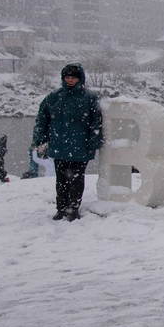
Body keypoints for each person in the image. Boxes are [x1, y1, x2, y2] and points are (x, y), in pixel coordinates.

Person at [32, 63, 103, 221]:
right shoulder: (55, 97)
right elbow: (42, 118)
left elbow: (96, 123)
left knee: (76, 180)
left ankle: (73, 209)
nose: (70, 80)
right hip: (59, 146)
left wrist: (92, 143)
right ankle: (61, 208)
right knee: (61, 179)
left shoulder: (89, 98)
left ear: (80, 79)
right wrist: (40, 137)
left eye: (73, 78)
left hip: (80, 147)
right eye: (67, 77)